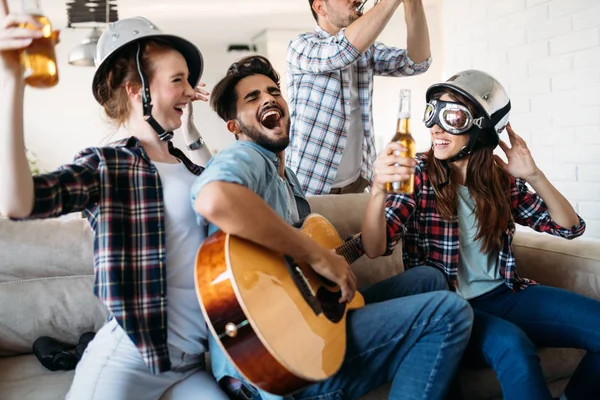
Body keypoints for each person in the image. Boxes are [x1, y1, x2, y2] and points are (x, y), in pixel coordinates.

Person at [191, 55, 473, 400]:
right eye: (252, 98)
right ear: (234, 127)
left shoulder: (288, 179)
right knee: (450, 312)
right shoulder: (249, 157)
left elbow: (326, 259)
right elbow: (214, 198)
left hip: (304, 319)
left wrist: (377, 195)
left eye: (273, 91)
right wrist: (317, 256)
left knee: (429, 277)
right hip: (274, 360)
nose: (268, 98)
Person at [0, 14, 226, 399]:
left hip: (190, 365)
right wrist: (11, 80)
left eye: (188, 79)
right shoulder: (108, 165)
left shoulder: (191, 164)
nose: (191, 91)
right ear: (137, 89)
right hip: (129, 359)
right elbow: (18, 204)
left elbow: (226, 201)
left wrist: (190, 134)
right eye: (178, 80)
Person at [360, 69, 600, 400]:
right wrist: (376, 191)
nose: (435, 126)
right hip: (451, 308)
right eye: (432, 113)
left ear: (481, 128)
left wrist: (534, 175)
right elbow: (376, 247)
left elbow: (569, 227)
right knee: (512, 345)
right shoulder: (417, 173)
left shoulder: (500, 179)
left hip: (507, 294)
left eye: (451, 116)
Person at [286, 0, 432, 195]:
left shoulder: (366, 52)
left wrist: (412, 3)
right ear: (320, 7)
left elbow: (417, 62)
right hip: (310, 190)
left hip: (358, 185)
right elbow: (342, 52)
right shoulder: (301, 46)